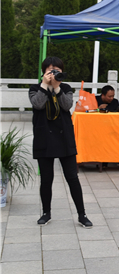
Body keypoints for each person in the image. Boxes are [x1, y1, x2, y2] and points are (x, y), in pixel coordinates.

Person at [29, 56, 93, 228]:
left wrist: (56, 88)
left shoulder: (64, 87)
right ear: (43, 72)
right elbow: (37, 104)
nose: (54, 74)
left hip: (64, 139)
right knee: (46, 179)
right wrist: (45, 85)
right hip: (44, 139)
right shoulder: (35, 88)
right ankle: (46, 213)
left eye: (57, 70)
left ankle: (82, 214)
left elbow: (66, 106)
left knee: (72, 177)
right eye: (50, 70)